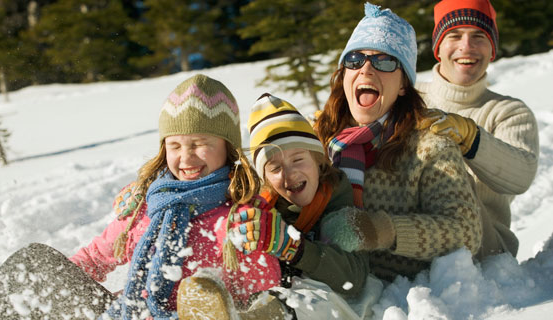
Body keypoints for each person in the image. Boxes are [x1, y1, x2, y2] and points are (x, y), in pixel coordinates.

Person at [0, 74, 282, 320]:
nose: (186, 157)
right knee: (34, 262)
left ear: (228, 147)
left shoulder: (238, 216)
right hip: (121, 314)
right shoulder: (147, 208)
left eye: (200, 144)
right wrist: (51, 291)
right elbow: (93, 259)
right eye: (175, 146)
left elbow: (262, 290)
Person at [313, 2, 483, 282]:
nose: (366, 70)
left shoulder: (430, 148)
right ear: (344, 74)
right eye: (355, 59)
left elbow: (467, 233)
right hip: (323, 279)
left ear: (404, 84)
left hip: (399, 297)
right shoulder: (318, 138)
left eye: (384, 61)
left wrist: (380, 231)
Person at [177, 93, 380, 320]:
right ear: (265, 179)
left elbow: (352, 279)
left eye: (298, 159)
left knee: (331, 300)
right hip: (280, 289)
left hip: (331, 292)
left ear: (318, 160)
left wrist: (291, 247)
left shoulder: (337, 200)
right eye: (275, 168)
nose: (289, 174)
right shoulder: (266, 206)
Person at [416, 0, 539, 258]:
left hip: (484, 248)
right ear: (438, 47)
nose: (466, 47)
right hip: (411, 236)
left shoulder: (508, 112)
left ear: (492, 49)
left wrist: (471, 138)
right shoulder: (409, 99)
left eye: (479, 36)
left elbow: (522, 175)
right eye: (455, 35)